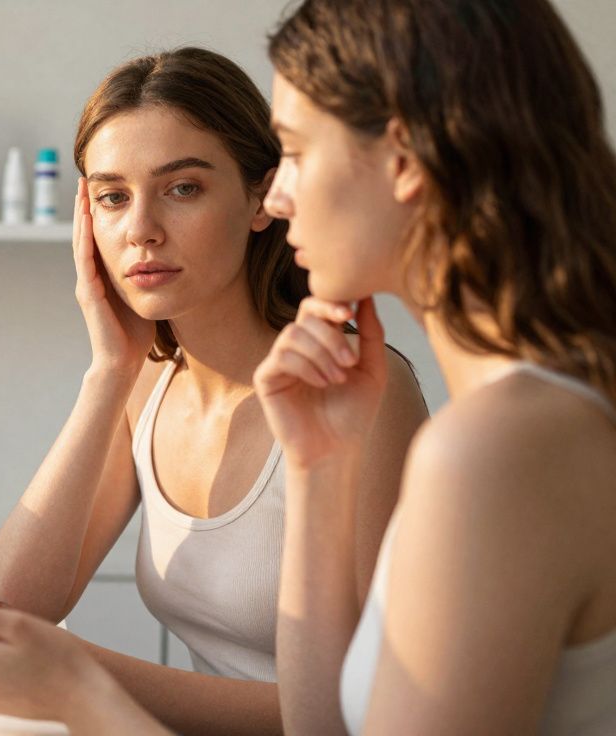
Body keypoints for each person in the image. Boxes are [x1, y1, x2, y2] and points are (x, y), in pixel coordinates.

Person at [0, 46, 427, 733]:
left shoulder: (356, 394)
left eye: (182, 188)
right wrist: (107, 375)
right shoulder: (147, 386)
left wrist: (75, 672)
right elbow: (12, 606)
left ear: (262, 197)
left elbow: (364, 712)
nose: (140, 231)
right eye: (112, 197)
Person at [257, 0, 616, 732]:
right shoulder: (538, 416)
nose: (274, 197)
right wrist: (319, 470)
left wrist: (87, 700)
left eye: (294, 153)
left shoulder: (499, 453)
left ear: (404, 158)